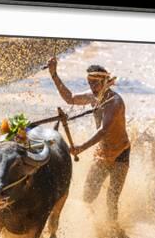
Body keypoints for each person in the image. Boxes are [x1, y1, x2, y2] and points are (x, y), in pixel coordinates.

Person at [48, 58, 130, 224]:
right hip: (102, 152)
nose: (92, 87)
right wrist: (54, 75)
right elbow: (70, 98)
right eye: (89, 83)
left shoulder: (114, 101)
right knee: (87, 195)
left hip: (121, 152)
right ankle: (90, 228)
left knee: (112, 198)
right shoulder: (93, 97)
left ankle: (113, 232)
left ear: (105, 82)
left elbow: (104, 130)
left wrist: (81, 148)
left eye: (95, 83)